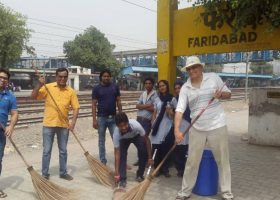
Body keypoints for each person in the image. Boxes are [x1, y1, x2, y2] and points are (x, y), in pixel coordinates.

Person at [174, 56, 233, 200]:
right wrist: (177, 131)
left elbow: (228, 94)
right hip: (197, 128)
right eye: (189, 68)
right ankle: (185, 192)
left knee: (223, 160)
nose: (192, 70)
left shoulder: (213, 78)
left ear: (201, 68)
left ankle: (226, 192)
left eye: (195, 67)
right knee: (192, 162)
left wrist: (221, 95)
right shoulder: (185, 87)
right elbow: (179, 110)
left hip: (217, 125)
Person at [31, 67, 80, 181]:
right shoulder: (48, 87)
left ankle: (63, 173)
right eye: (60, 76)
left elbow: (76, 108)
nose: (62, 79)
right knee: (46, 150)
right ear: (56, 77)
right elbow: (33, 96)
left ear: (67, 78)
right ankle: (44, 174)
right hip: (49, 124)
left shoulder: (71, 91)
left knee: (63, 150)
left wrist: (72, 123)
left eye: (65, 77)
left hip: (64, 125)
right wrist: (39, 84)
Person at [113, 112, 152, 188]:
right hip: (123, 139)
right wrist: (116, 172)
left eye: (125, 125)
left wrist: (150, 158)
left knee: (143, 151)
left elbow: (147, 140)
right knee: (122, 156)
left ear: (128, 122)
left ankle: (140, 175)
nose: (124, 127)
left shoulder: (136, 125)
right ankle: (122, 179)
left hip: (136, 136)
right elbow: (117, 154)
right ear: (117, 126)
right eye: (121, 126)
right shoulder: (116, 134)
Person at [92, 69, 122, 165]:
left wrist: (121, 115)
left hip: (113, 118)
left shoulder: (115, 87)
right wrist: (94, 120)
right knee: (101, 140)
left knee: (116, 139)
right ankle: (102, 160)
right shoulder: (96, 89)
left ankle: (120, 160)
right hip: (101, 118)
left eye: (108, 76)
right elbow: (93, 104)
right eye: (104, 76)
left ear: (110, 77)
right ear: (101, 77)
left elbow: (119, 101)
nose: (106, 78)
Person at [151, 80, 176, 178]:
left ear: (167, 86)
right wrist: (153, 122)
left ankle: (165, 169)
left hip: (167, 126)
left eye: (163, 85)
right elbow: (155, 112)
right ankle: (156, 169)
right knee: (157, 148)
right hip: (157, 126)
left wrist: (170, 111)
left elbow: (175, 115)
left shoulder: (172, 99)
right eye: (160, 86)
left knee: (166, 148)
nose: (162, 87)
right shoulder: (157, 99)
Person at [0, 68, 18, 198]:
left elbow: (14, 113)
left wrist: (10, 126)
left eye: (5, 78)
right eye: (0, 77)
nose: (2, 80)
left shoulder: (10, 96)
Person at [134, 77, 157, 166]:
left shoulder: (155, 95)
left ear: (152, 84)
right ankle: (140, 159)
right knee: (139, 140)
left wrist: (142, 106)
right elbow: (137, 106)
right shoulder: (143, 94)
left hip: (147, 120)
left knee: (145, 139)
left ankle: (148, 159)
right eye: (146, 83)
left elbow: (155, 108)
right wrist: (147, 106)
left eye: (149, 83)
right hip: (139, 119)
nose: (148, 85)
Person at [173, 80, 191, 177]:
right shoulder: (174, 100)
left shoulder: (189, 99)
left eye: (179, 88)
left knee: (188, 148)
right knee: (179, 149)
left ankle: (188, 169)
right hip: (179, 127)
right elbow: (173, 115)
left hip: (189, 126)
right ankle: (180, 169)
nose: (177, 90)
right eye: (175, 88)